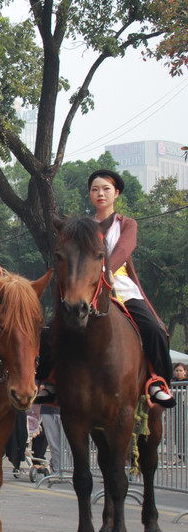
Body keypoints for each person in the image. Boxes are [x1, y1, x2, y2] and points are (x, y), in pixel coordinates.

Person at [87, 169, 175, 408]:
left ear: (116, 193)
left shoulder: (127, 224)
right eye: (95, 189)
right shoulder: (83, 226)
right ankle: (49, 382)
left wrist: (107, 273)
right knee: (53, 329)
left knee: (155, 329)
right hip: (87, 289)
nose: (100, 194)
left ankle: (158, 381)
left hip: (121, 288)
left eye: (105, 189)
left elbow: (125, 249)